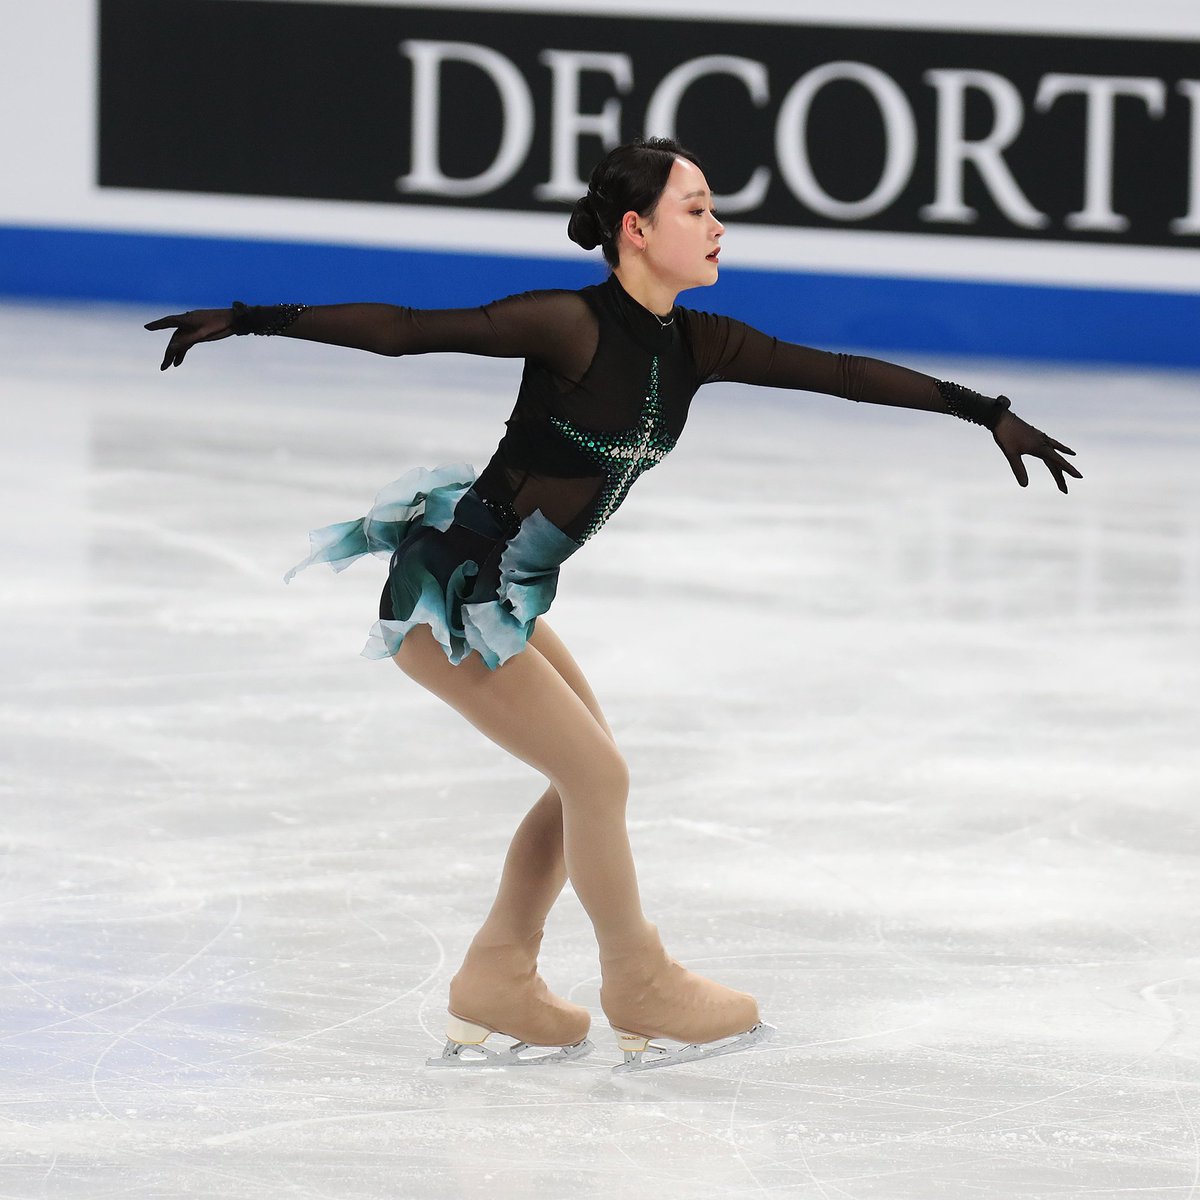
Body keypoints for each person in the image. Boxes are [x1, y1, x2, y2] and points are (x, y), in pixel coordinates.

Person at [146, 136, 1082, 1073]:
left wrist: (984, 410)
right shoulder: (568, 323)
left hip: (505, 595)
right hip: (450, 593)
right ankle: (639, 981)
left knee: (584, 775)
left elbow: (837, 373)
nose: (718, 226)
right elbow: (408, 328)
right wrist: (250, 317)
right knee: (597, 779)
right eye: (697, 208)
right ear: (635, 230)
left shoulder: (698, 342)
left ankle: (496, 977)